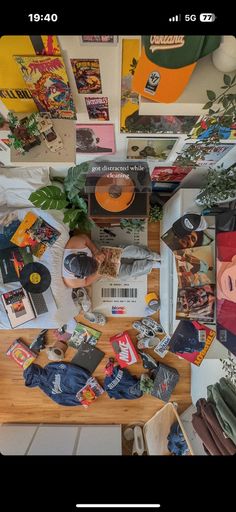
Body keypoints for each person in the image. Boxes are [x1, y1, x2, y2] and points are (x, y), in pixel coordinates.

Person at [62, 234, 161, 289]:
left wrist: (96, 252)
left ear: (81, 254)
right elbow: (86, 282)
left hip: (97, 251)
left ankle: (150, 255)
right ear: (78, 275)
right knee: (125, 273)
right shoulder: (72, 282)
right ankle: (150, 264)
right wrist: (100, 271)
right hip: (98, 273)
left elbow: (86, 239)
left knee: (124, 252)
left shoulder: (75, 244)